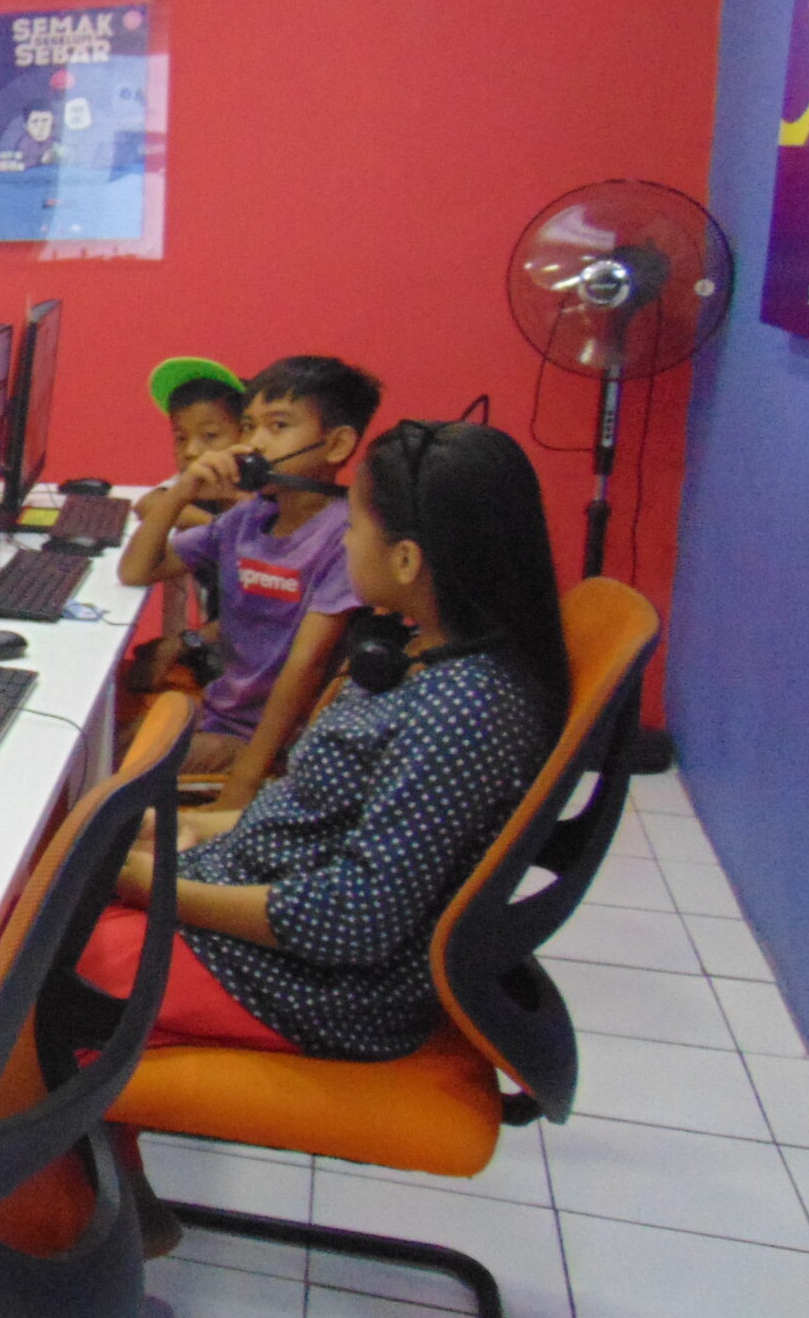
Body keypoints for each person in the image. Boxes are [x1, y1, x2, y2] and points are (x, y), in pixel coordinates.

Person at [80, 419, 569, 1066]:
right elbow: (317, 810)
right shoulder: (421, 651)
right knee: (61, 879)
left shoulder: (463, 710)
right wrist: (190, 828)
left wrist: (156, 887)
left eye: (354, 527)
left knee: (28, 956)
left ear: (406, 560)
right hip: (262, 897)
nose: (343, 539)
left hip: (317, 990)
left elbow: (355, 919)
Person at [117, 355, 383, 805]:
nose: (255, 443)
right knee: (99, 736)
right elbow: (137, 570)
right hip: (220, 710)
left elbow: (306, 667)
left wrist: (246, 777)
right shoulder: (249, 517)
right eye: (250, 426)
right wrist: (181, 491)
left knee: (103, 763)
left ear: (337, 445)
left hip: (270, 746)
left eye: (278, 426)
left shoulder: (344, 539)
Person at [121, 358, 246, 705]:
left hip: (242, 673)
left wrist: (182, 644)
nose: (191, 451)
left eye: (210, 436)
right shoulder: (207, 493)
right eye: (180, 438)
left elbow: (258, 620)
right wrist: (213, 526)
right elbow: (149, 502)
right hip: (215, 652)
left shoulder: (269, 516)